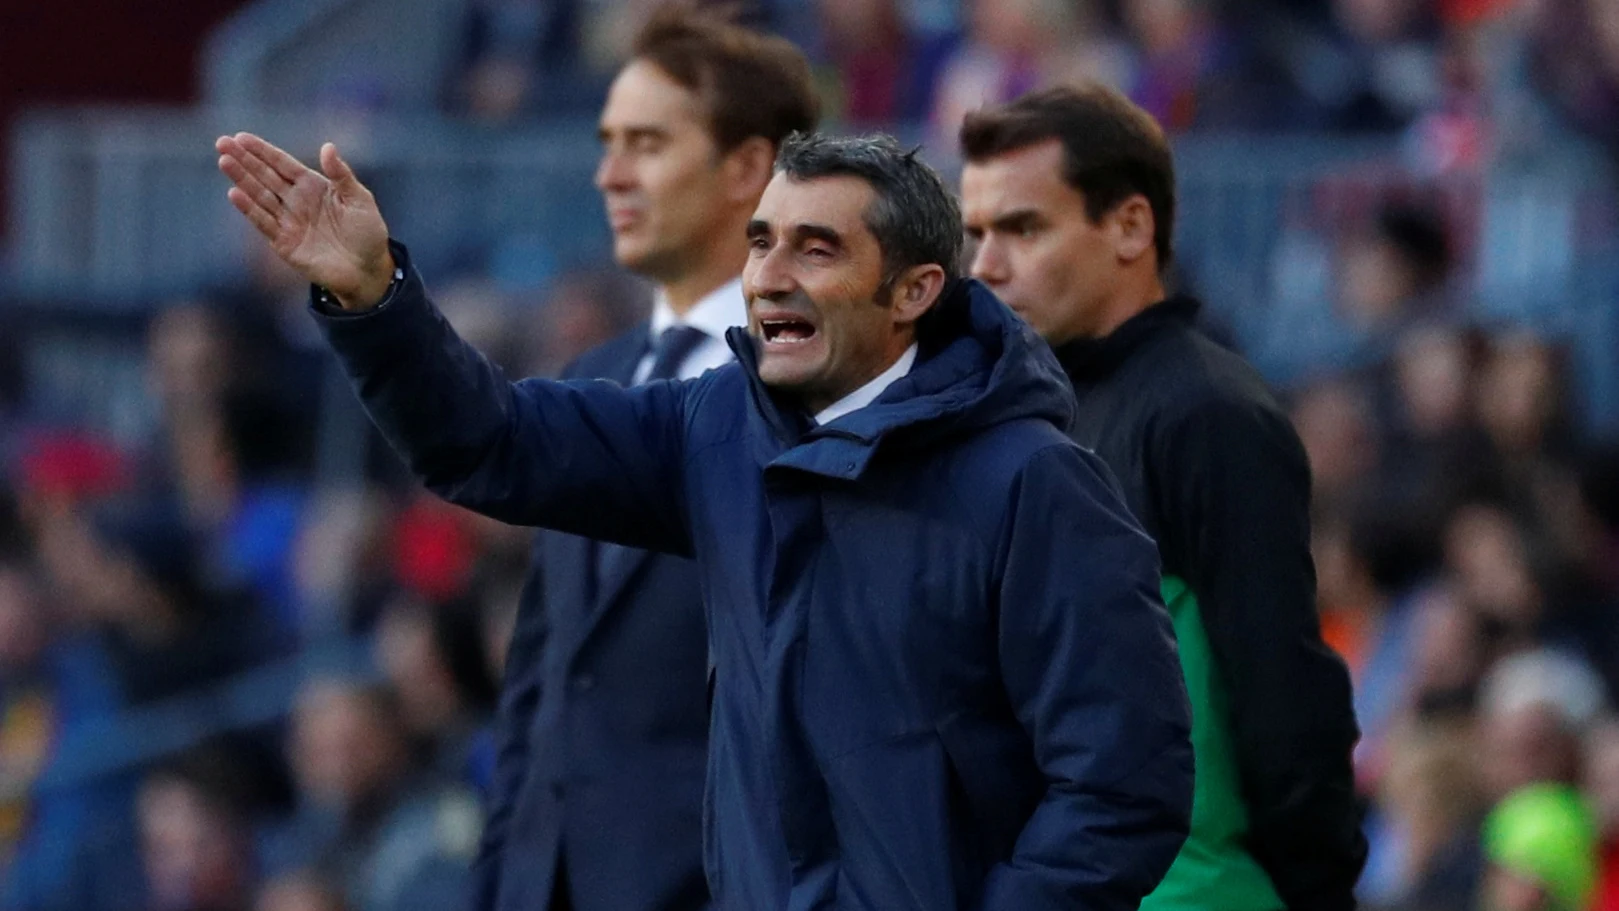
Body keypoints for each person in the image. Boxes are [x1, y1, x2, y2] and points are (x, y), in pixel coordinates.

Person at [215, 123, 1195, 910]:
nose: (768, 275)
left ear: (914, 290)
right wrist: (375, 293)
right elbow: (496, 441)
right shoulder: (719, 427)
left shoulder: (1037, 485)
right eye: (761, 241)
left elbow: (1123, 786)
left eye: (816, 248)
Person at [959, 83, 1366, 911]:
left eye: (1021, 227)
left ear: (1130, 227)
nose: (985, 266)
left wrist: (1314, 888)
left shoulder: (1205, 411)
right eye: (974, 234)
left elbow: (1280, 686)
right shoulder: (1028, 410)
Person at [470, 9, 817, 911]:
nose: (609, 174)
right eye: (607, 143)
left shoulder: (814, 397)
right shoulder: (596, 376)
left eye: (647, 143)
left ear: (748, 168)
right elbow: (542, 684)